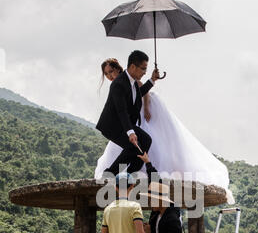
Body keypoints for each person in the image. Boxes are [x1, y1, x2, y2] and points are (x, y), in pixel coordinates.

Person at [94, 58, 235, 204]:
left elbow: (142, 91)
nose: (110, 76)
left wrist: (147, 105)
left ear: (118, 69)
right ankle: (121, 173)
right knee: (136, 145)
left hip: (133, 119)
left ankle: (126, 173)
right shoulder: (120, 84)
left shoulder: (129, 80)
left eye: (111, 71)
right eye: (106, 74)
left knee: (143, 144)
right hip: (123, 124)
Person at [95, 51, 160, 176]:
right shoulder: (118, 84)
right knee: (133, 147)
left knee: (146, 140)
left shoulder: (132, 81)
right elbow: (122, 110)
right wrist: (131, 132)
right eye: (143, 69)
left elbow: (138, 94)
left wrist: (152, 80)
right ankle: (109, 174)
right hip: (111, 125)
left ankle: (130, 174)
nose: (144, 72)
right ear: (132, 67)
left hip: (122, 123)